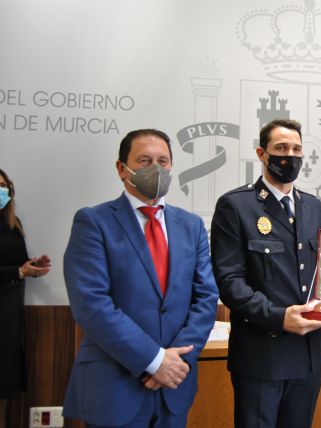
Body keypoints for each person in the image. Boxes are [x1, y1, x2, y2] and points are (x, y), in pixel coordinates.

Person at [63, 129, 218, 428]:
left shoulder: (191, 225)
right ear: (122, 169)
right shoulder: (94, 222)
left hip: (175, 384)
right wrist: (154, 360)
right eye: (144, 160)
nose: (156, 169)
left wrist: (176, 362)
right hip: (115, 385)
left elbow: (206, 298)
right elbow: (92, 304)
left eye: (163, 161)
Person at [211, 119, 321, 428]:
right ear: (262, 153)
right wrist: (279, 317)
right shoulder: (236, 206)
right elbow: (229, 283)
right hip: (261, 356)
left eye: (296, 149)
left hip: (307, 357)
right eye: (281, 148)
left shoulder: (313, 207)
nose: (289, 156)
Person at [0, 169, 51, 428]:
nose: (1, 191)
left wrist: (32, 266)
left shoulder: (13, 223)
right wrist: (19, 271)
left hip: (9, 313)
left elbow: (17, 262)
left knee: (4, 384)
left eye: (3, 186)